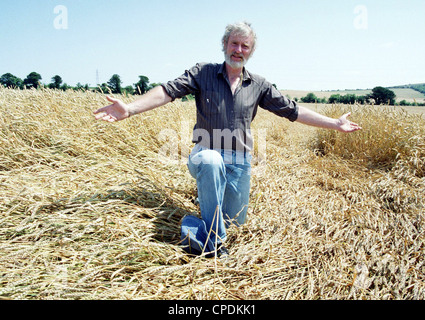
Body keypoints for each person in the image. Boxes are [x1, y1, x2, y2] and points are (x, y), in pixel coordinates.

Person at [94, 22, 361, 257]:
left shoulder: (259, 85)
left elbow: (293, 110)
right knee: (211, 163)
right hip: (205, 152)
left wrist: (334, 124)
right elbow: (167, 91)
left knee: (234, 221)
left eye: (245, 46)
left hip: (240, 161)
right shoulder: (203, 72)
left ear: (251, 51)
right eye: (234, 43)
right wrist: (130, 108)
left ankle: (200, 216)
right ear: (224, 45)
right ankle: (216, 244)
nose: (239, 50)